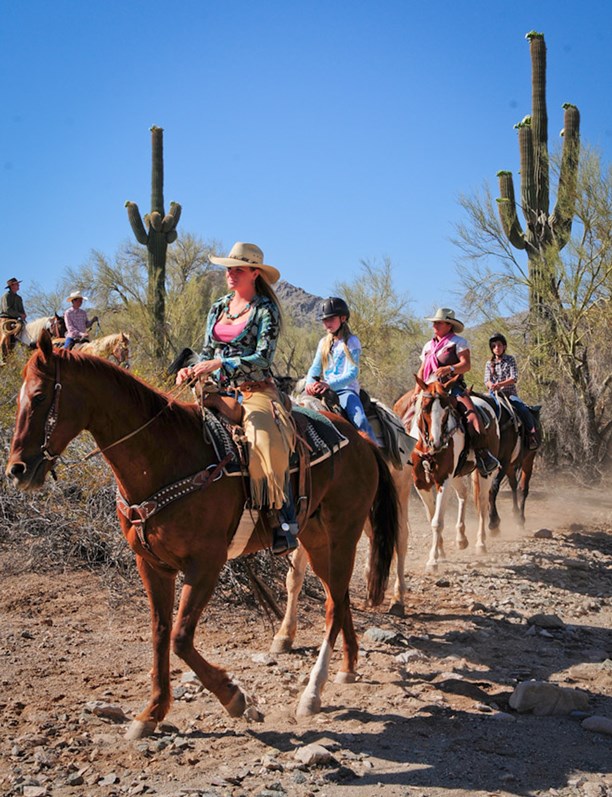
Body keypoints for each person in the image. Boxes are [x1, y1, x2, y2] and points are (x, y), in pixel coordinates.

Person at [176, 242, 298, 555]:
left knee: (264, 441)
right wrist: (190, 370)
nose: (230, 274)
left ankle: (284, 522)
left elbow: (262, 357)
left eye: (238, 269)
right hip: (214, 388)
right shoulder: (218, 307)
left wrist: (222, 363)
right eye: (229, 269)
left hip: (254, 390)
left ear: (255, 273)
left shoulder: (265, 310)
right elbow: (205, 351)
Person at [416, 307, 499, 477]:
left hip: (451, 388)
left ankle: (483, 455)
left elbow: (466, 365)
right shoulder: (428, 346)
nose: (434, 326)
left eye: (438, 323)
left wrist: (450, 368)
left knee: (473, 417)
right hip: (429, 389)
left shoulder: (458, 342)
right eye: (434, 323)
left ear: (448, 325)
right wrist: (416, 391)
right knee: (405, 413)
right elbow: (422, 369)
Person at [305, 297, 377, 444]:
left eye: (331, 319)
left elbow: (352, 373)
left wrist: (329, 384)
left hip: (345, 391)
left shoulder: (352, 341)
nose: (327, 323)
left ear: (343, 318)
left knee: (360, 419)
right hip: (323, 389)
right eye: (325, 320)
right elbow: (315, 367)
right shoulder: (323, 343)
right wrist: (310, 383)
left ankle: (375, 452)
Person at [485, 333, 539, 450]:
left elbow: (513, 378)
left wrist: (500, 384)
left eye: (499, 345)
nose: (496, 348)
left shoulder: (510, 359)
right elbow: (486, 380)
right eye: (494, 346)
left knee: (523, 409)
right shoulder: (489, 363)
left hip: (509, 394)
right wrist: (491, 385)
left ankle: (531, 435)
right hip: (493, 394)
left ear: (504, 346)